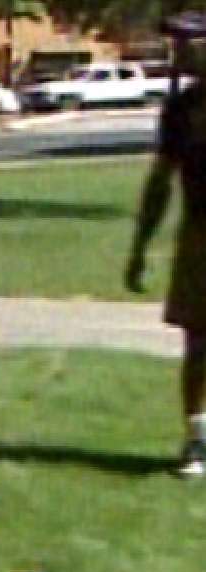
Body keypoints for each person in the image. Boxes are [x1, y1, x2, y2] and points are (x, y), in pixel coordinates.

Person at [126, 64, 206, 479]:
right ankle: (198, 436)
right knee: (198, 340)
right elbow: (161, 179)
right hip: (199, 231)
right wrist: (140, 246)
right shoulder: (182, 107)